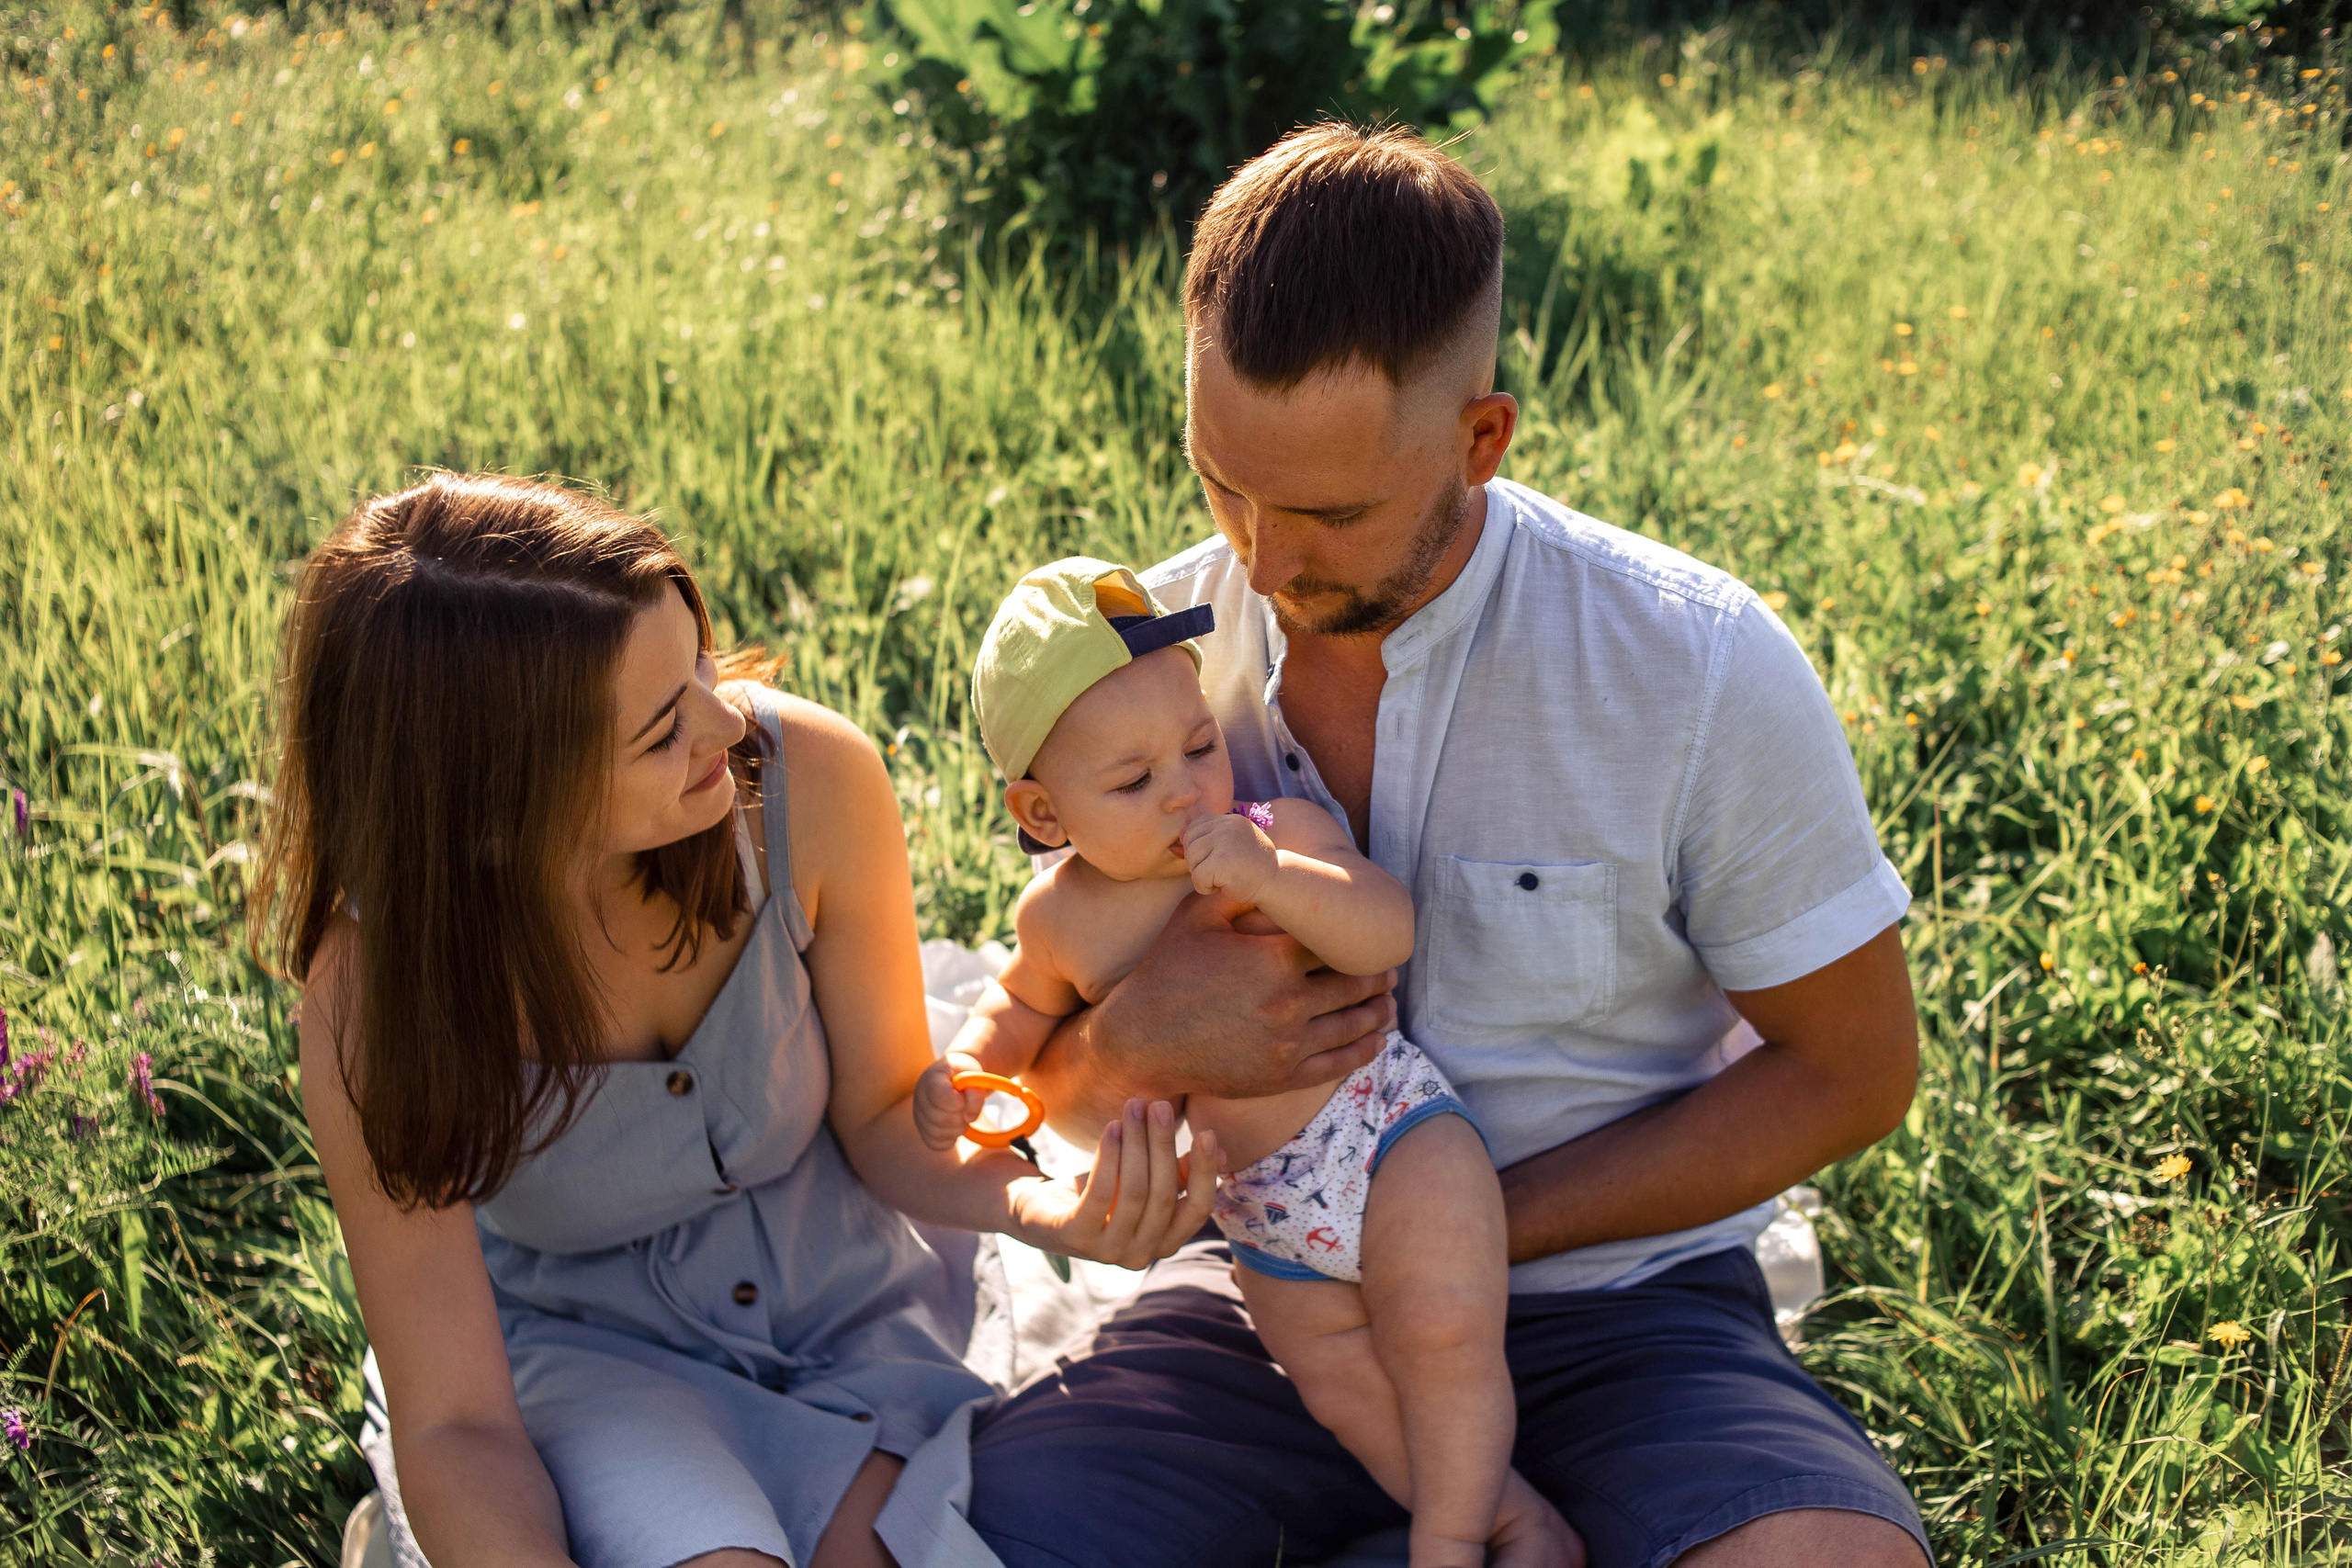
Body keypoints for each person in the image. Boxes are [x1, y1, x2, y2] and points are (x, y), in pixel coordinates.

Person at [962, 124, 1933, 1568]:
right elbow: (1047, 1086)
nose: (1263, 561)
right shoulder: (1141, 676)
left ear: (1483, 440)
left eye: (1332, 512)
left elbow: (1855, 1070)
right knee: (977, 1532)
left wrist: (1449, 1234)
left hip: (1624, 1306)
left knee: (1827, 1559)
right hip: (1262, 1300)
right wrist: (1133, 1048)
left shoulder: (1694, 666)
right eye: (1223, 482)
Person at [255, 474, 1216, 1568]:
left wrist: (1050, 1213)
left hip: (845, 1301)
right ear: (497, 805)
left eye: (697, 663)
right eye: (664, 729)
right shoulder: (375, 999)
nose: (727, 720)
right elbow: (457, 1422)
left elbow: (882, 1118)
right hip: (596, 1358)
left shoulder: (801, 778)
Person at [912, 559, 1577, 1567]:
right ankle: (1512, 1518)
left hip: (1390, 1138)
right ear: (1044, 815)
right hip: (1263, 1213)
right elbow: (1014, 1010)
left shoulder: (1276, 831)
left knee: (1439, 1336)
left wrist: (1277, 879)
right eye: (1134, 782)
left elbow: (1382, 929)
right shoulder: (1057, 921)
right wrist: (963, 1074)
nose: (1186, 791)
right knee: (1343, 1386)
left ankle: (1446, 1543)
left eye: (1197, 745)